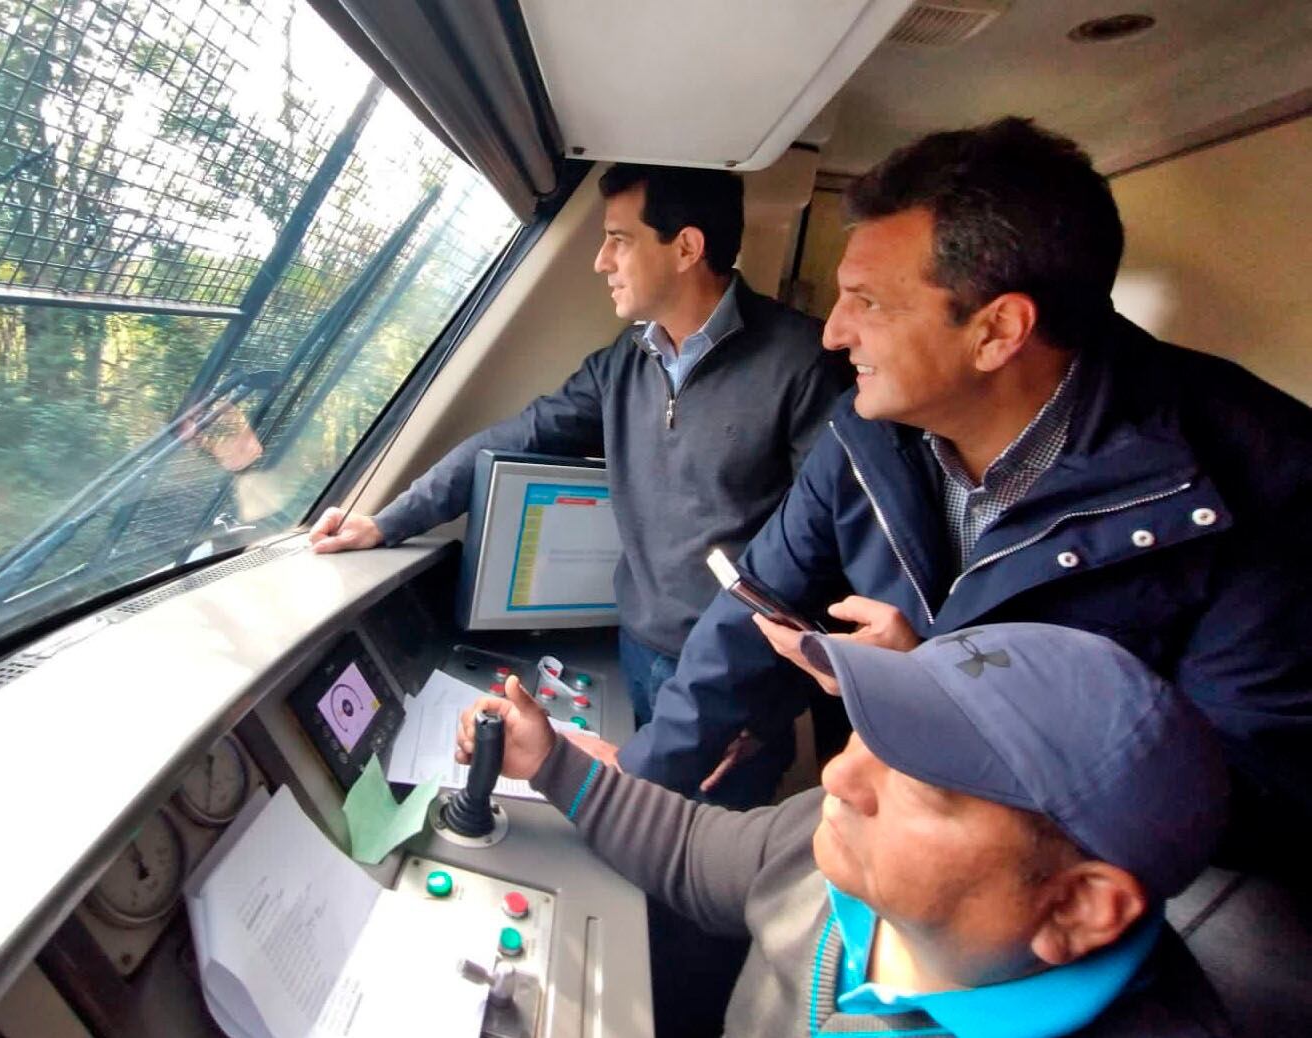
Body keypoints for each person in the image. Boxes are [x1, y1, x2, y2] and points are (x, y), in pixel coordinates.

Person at [588, 117, 1311, 858]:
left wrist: (944, 699)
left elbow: (1242, 800)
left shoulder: (1263, 483)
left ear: (997, 331)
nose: (833, 334)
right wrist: (641, 780)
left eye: (867, 302)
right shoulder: (866, 430)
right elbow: (755, 605)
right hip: (916, 837)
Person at [458, 624, 1235, 1038]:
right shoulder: (836, 851)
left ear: (1077, 907)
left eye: (924, 780)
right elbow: (699, 853)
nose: (838, 777)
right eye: (870, 730)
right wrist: (553, 763)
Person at [308, 163, 849, 745]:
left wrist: (764, 692)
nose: (601, 261)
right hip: (638, 646)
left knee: (697, 829)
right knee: (634, 814)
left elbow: (827, 547)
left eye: (619, 240)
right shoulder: (626, 362)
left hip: (735, 670)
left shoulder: (803, 363)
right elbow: (516, 437)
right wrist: (389, 521)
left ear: (686, 247)